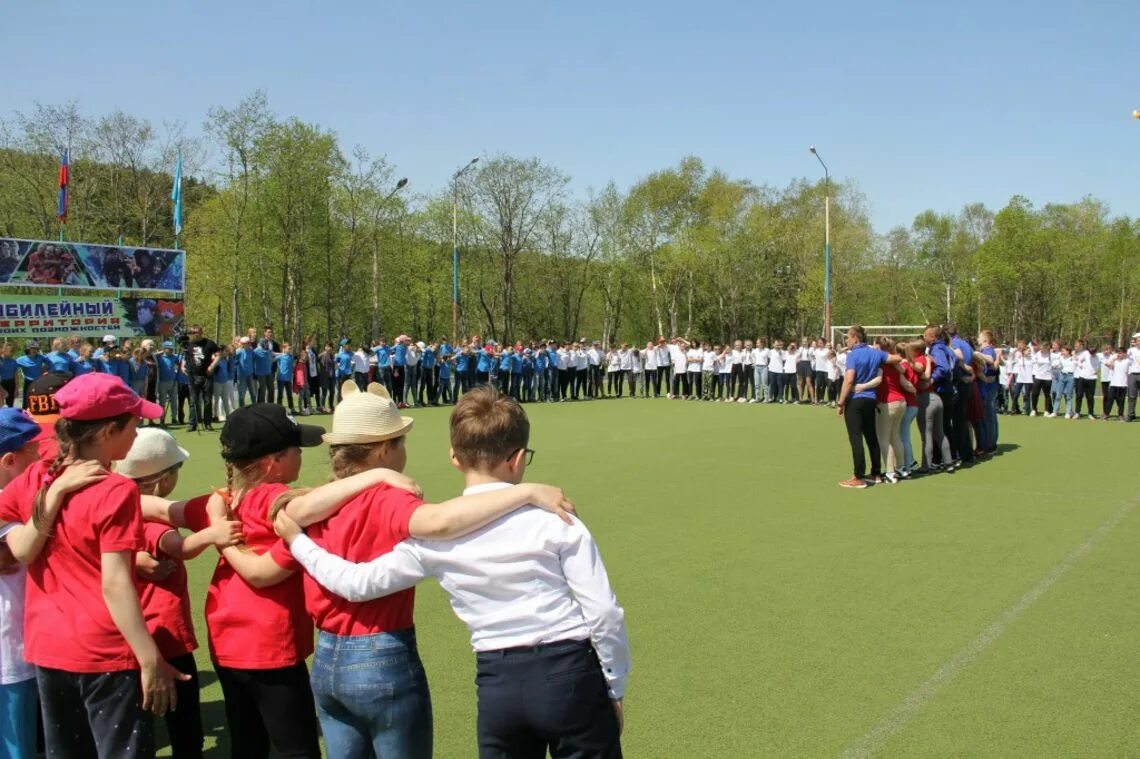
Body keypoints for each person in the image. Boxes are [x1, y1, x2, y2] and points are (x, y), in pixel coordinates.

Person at [276, 386, 629, 759]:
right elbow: (603, 612)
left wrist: (298, 543)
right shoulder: (556, 519)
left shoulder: (434, 540)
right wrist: (613, 685)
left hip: (498, 685)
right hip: (570, 672)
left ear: (455, 459)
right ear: (519, 457)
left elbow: (356, 583)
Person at [0, 374, 182, 757]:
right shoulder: (115, 490)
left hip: (48, 650)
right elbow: (115, 584)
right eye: (133, 423)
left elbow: (17, 541)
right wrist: (149, 658)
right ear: (104, 432)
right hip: (104, 654)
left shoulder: (36, 476)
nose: (138, 432)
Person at [116, 428, 243, 759]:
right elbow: (181, 547)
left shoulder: (116, 513)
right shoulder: (153, 522)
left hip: (128, 633)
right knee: (182, 708)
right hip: (167, 631)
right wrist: (213, 534)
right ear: (161, 480)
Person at [837, 326, 903, 489]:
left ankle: (858, 476)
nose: (847, 341)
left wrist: (841, 402)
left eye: (848, 338)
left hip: (856, 399)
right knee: (871, 436)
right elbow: (897, 359)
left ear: (855, 338)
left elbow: (849, 380)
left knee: (856, 437)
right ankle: (876, 473)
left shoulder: (853, 355)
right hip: (871, 399)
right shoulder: (875, 352)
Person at [183, 325, 220, 432]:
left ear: (201, 332)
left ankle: (208, 423)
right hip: (193, 376)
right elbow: (185, 358)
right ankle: (192, 423)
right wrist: (183, 367)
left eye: (197, 332)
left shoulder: (209, 343)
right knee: (193, 400)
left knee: (207, 400)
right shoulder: (188, 344)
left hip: (206, 376)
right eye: (193, 332)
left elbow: (219, 355)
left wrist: (212, 366)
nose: (195, 334)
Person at [1127, 332, 1140, 422]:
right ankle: (1131, 414)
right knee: (1132, 396)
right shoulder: (1130, 350)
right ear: (1135, 342)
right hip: (1132, 374)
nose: (1139, 342)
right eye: (1138, 340)